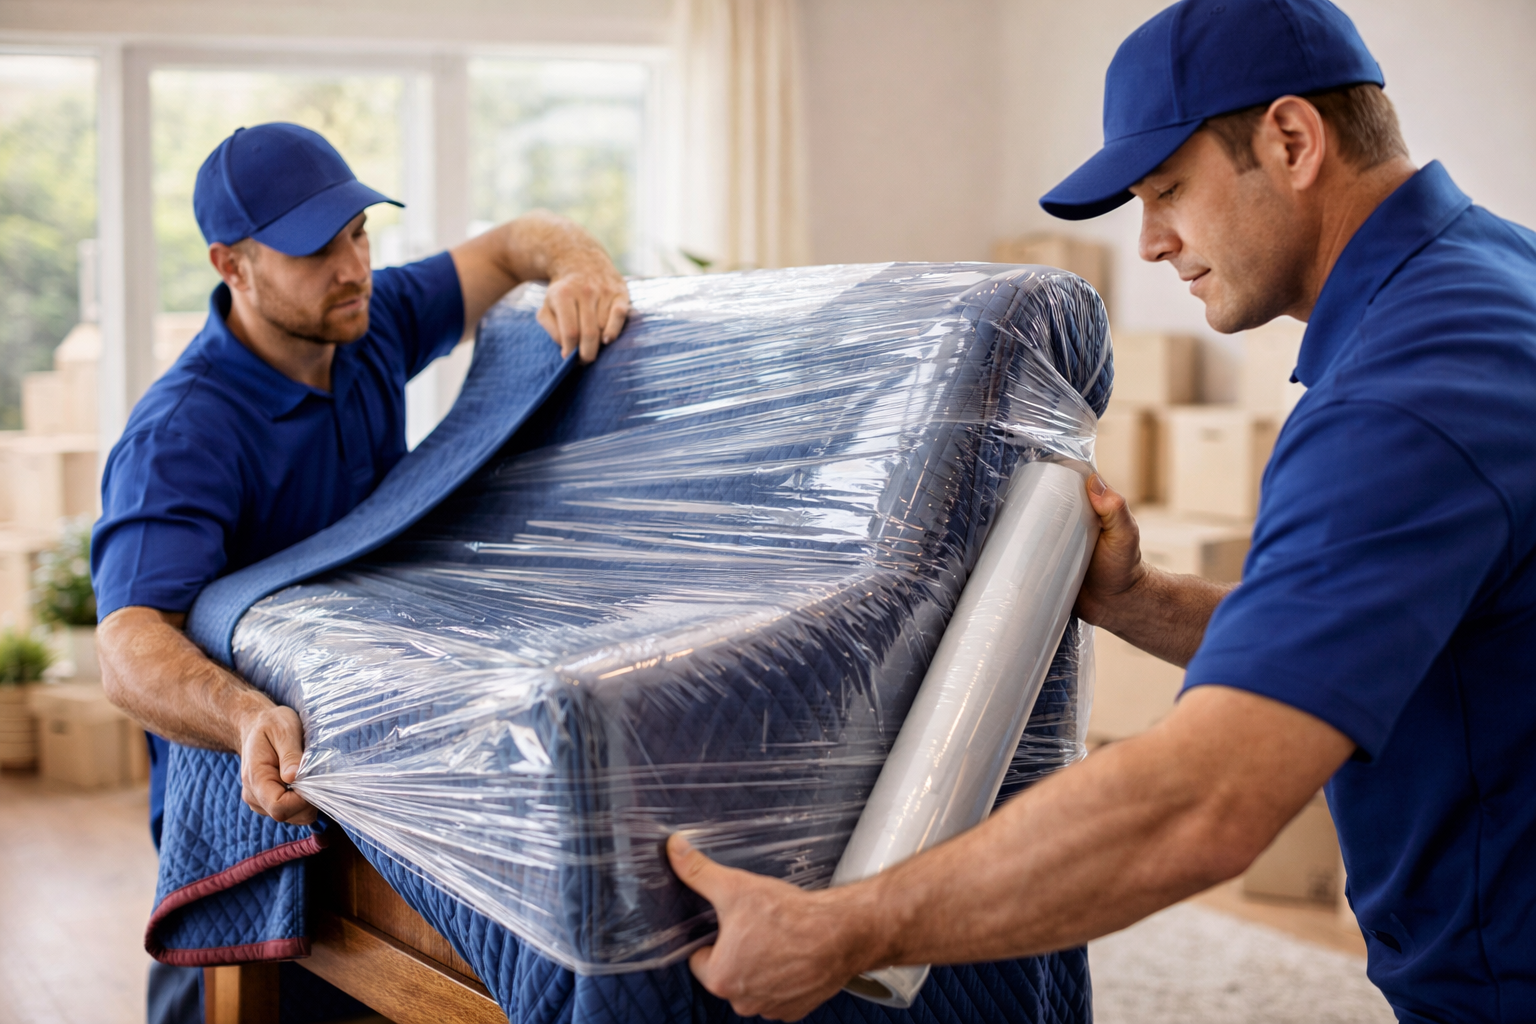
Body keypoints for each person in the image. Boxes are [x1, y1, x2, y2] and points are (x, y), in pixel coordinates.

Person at [662, 2, 1536, 1021]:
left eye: (1168, 189)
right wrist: (1134, 600)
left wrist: (844, 928)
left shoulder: (1406, 393)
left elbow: (1201, 802)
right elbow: (1381, 650)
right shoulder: (1489, 279)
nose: (1154, 241)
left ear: (1292, 140)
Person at [91, 122, 629, 1024]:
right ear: (233, 265)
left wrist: (581, 267)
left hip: (366, 758)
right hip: (247, 786)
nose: (352, 266)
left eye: (358, 231)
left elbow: (512, 244)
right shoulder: (183, 434)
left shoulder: (365, 324)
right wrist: (243, 717)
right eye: (313, 249)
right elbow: (127, 645)